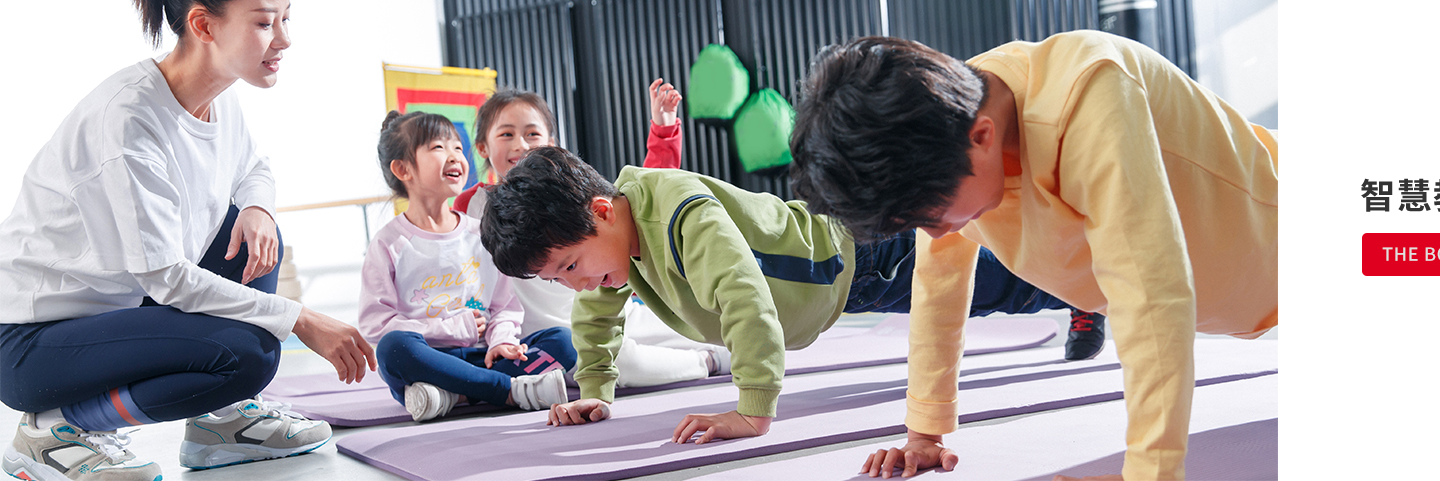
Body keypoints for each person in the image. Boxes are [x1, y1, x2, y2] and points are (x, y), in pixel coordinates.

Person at [786, 30, 1279, 480]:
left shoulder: (1090, 94)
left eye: (931, 215)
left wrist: (1151, 473)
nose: (934, 234)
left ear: (982, 138)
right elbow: (938, 287)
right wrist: (924, 434)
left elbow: (1150, 292)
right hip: (1238, 294)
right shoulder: (946, 123)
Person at [0, 0, 374, 477]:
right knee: (248, 354)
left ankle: (220, 423)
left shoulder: (220, 97)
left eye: (286, 18)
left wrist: (258, 207)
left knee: (252, 230)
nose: (284, 39)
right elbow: (166, 278)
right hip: (36, 344)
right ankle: (57, 428)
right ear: (203, 24)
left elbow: (254, 166)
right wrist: (300, 318)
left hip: (125, 311)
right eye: (265, 23)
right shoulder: (129, 120)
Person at [478, 147, 1083, 443]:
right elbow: (595, 315)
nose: (576, 283)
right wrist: (596, 389)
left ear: (603, 211)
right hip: (834, 292)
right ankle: (1072, 280)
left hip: (857, 254)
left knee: (988, 284)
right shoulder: (611, 254)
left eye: (571, 265)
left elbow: (744, 297)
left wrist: (753, 408)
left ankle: (1087, 285)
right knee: (981, 286)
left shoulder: (682, 213)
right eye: (557, 279)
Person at [455, 83, 730, 389]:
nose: (520, 144)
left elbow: (636, 207)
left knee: (705, 327)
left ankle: (722, 353)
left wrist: (663, 132)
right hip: (550, 335)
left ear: (550, 143)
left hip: (608, 308)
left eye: (532, 134)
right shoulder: (471, 207)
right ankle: (708, 361)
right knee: (611, 361)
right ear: (482, 147)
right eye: (506, 134)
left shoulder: (565, 196)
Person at [360, 111, 574, 422]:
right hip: (430, 361)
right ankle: (509, 391)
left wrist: (502, 341)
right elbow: (376, 326)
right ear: (403, 169)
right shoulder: (388, 243)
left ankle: (454, 395)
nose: (454, 156)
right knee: (393, 349)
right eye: (438, 147)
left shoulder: (481, 233)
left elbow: (505, 306)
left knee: (564, 341)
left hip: (486, 357)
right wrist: (448, 329)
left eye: (458, 147)